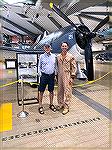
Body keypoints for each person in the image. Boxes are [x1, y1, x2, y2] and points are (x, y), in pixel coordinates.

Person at [56, 42, 77, 115]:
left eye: (65, 46)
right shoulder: (58, 56)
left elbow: (74, 67)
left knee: (67, 91)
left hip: (67, 75)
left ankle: (66, 107)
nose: (64, 47)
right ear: (61, 47)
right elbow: (56, 67)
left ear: (67, 47)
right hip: (60, 76)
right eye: (63, 46)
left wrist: (72, 77)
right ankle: (60, 104)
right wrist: (56, 76)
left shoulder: (70, 56)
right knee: (60, 91)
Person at [38, 43, 57, 114]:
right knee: (41, 91)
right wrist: (40, 75)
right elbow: (39, 66)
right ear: (44, 48)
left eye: (48, 47)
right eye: (46, 47)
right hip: (44, 76)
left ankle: (51, 104)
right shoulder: (41, 56)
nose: (47, 49)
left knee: (51, 91)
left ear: (50, 48)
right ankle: (40, 106)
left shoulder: (54, 56)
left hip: (51, 76)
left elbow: (55, 66)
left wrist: (55, 75)